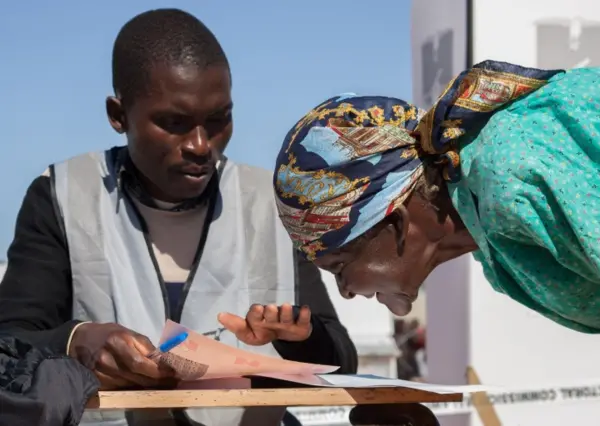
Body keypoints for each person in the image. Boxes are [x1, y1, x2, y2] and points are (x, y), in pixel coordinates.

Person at [0, 8, 357, 426]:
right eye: (174, 123)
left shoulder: (269, 202)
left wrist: (304, 340)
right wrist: (76, 340)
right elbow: (10, 342)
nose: (201, 145)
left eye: (219, 119)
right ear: (118, 115)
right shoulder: (61, 195)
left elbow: (341, 360)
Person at [272, 58, 600, 334]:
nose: (347, 292)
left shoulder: (513, 173)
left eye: (339, 267)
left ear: (393, 221)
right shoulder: (495, 246)